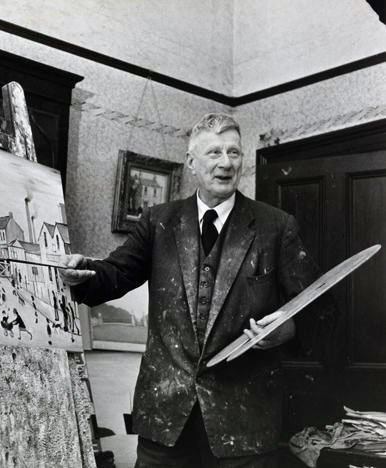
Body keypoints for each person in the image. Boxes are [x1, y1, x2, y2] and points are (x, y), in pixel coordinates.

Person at [60, 113, 337, 468]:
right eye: (214, 152)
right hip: (165, 419)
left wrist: (289, 329)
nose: (226, 163)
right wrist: (83, 274)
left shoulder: (276, 227)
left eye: (234, 152)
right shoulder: (158, 221)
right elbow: (115, 273)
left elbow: (321, 310)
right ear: (191, 162)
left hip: (245, 425)